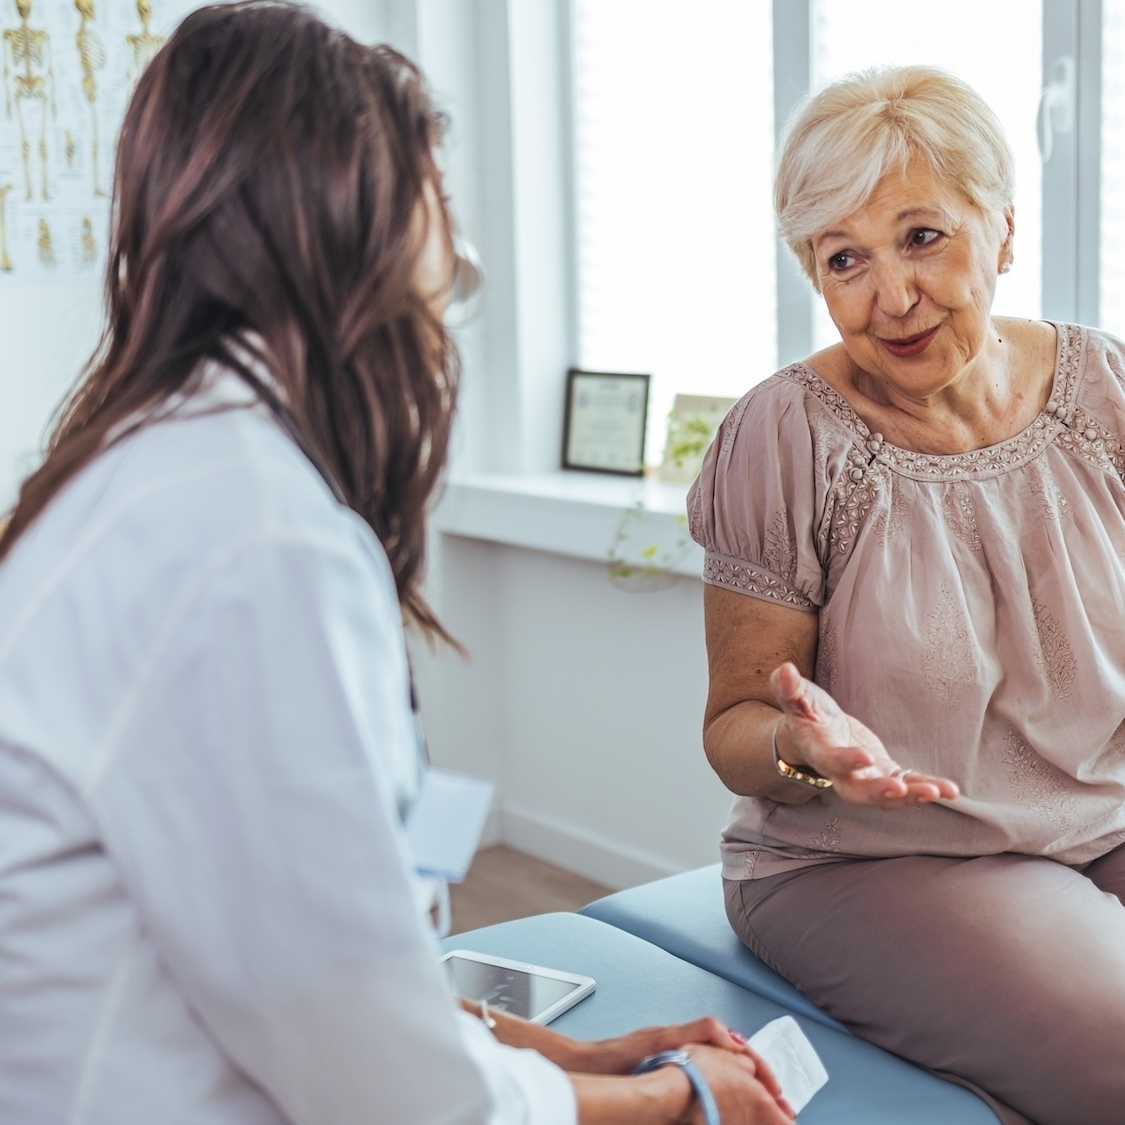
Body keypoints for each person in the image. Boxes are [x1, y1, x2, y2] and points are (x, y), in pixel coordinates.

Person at [0, 4, 796, 1123]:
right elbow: (388, 1091)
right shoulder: (251, 541)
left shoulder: (147, 472)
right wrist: (677, 1098)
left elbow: (307, 964)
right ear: (351, 224)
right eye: (437, 206)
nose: (451, 274)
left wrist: (559, 1056)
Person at [689, 63, 1125, 1125]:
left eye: (923, 238)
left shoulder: (1105, 390)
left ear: (1004, 230)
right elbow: (735, 725)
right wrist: (808, 752)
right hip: (876, 859)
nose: (891, 298)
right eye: (847, 260)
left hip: (1103, 816)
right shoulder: (784, 436)